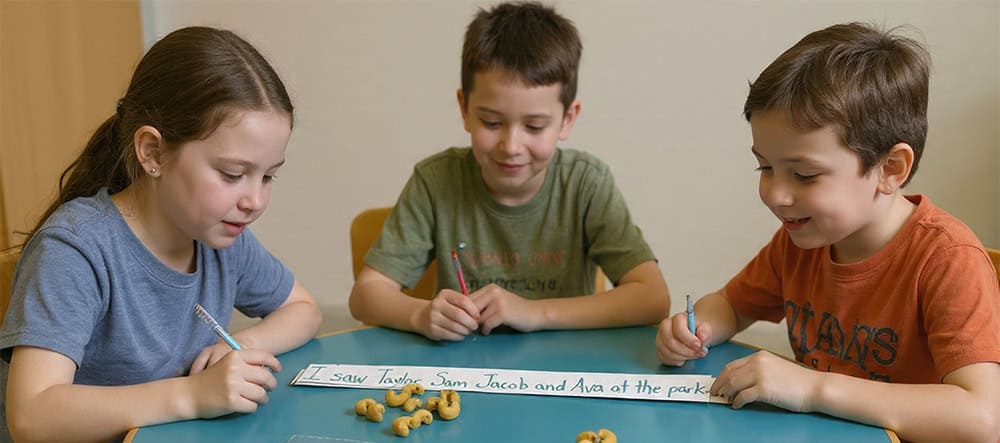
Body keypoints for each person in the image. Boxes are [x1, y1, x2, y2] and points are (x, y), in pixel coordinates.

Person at [655, 23, 1000, 442]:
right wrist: (697, 329)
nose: (775, 195)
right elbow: (733, 304)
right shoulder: (801, 241)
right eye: (764, 167)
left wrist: (812, 388)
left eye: (803, 174)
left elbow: (984, 419)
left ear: (889, 169)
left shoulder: (947, 258)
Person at [0, 26, 323, 442]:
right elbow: (32, 416)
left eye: (269, 176)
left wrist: (240, 344)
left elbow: (304, 309)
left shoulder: (219, 236)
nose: (254, 200)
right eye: (233, 174)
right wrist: (191, 395)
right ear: (152, 152)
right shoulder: (75, 248)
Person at [350, 1, 670, 341]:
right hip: (464, 371)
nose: (510, 145)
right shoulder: (436, 182)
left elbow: (652, 298)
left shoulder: (585, 183)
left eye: (534, 126)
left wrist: (535, 311)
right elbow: (365, 295)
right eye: (491, 122)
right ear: (464, 109)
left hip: (562, 372)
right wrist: (419, 313)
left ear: (567, 119)